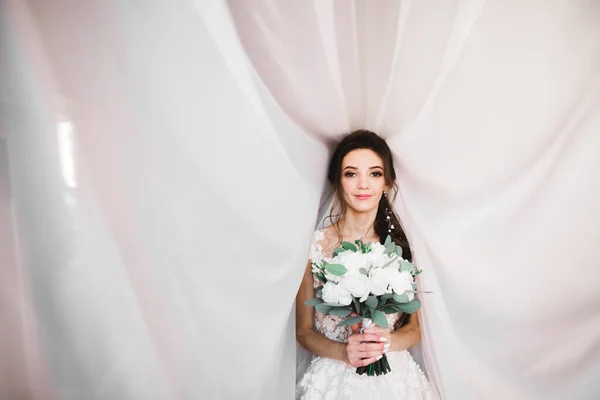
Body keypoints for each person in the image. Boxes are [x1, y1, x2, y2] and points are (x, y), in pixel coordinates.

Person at [296, 130, 433, 399]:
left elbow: (414, 329)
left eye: (374, 173)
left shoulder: (400, 247)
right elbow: (304, 331)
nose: (362, 185)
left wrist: (383, 342)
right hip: (334, 377)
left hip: (395, 378)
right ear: (337, 181)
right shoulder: (315, 246)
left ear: (387, 183)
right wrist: (345, 352)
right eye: (351, 173)